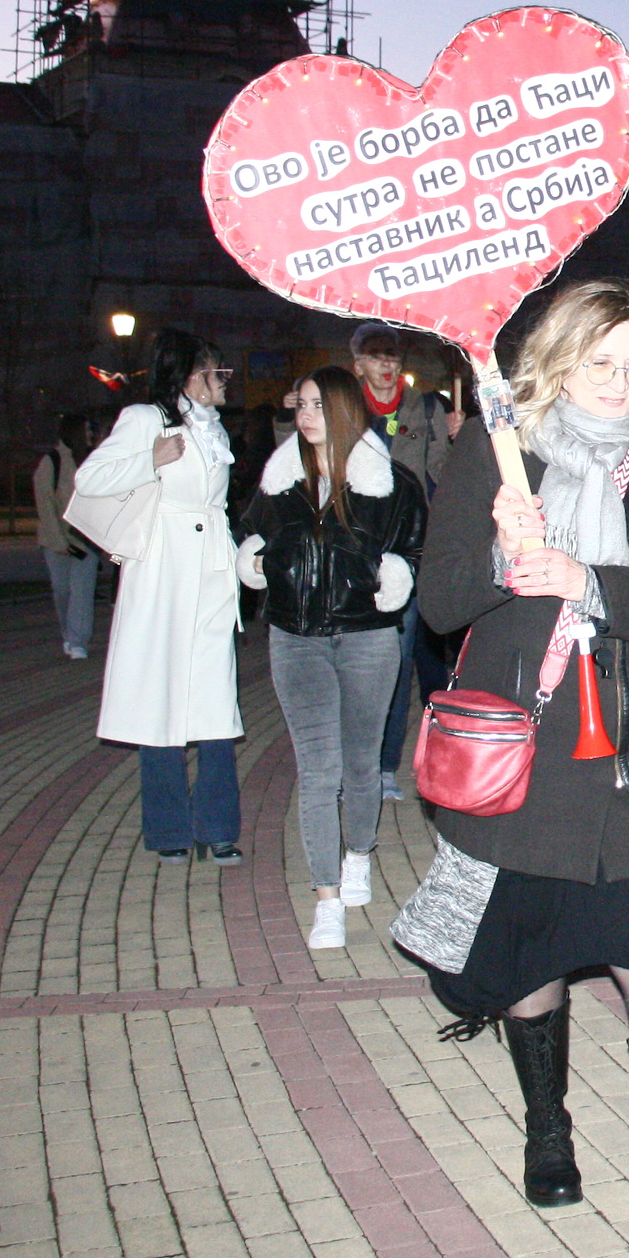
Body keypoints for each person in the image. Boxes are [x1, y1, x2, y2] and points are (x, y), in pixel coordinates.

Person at [388, 278, 629, 1258]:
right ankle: (547, 1131)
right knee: (533, 958)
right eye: (603, 363)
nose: (621, 382)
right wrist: (512, 563)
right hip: (528, 752)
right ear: (557, 360)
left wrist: (586, 578)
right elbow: (436, 601)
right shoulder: (496, 452)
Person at [239, 367, 427, 951]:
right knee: (318, 769)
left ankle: (357, 856)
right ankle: (325, 898)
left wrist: (398, 574)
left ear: (345, 409)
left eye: (319, 404)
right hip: (295, 638)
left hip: (369, 637)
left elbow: (415, 546)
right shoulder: (278, 482)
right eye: (301, 404)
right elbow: (252, 535)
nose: (306, 414)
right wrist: (253, 560)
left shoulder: (391, 483)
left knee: (362, 762)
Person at [77, 330, 246, 865]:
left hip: (211, 571)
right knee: (161, 701)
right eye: (218, 372)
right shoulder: (147, 419)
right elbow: (91, 477)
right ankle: (169, 830)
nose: (225, 382)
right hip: (164, 571)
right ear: (193, 375)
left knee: (216, 700)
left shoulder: (213, 427)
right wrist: (149, 459)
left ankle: (218, 826)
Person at [350, 323, 461, 804]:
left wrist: (461, 439)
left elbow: (446, 474)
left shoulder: (426, 407)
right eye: (376, 357)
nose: (386, 365)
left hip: (413, 548)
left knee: (412, 661)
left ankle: (396, 765)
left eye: (392, 356)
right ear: (358, 364)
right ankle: (364, 762)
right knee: (366, 663)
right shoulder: (342, 406)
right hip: (357, 550)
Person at [33, 413, 97, 658]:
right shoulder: (52, 461)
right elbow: (46, 504)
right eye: (87, 430)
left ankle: (78, 640)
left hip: (86, 540)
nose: (90, 435)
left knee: (82, 590)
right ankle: (68, 634)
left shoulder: (92, 459)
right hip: (58, 540)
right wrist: (58, 541)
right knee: (62, 590)